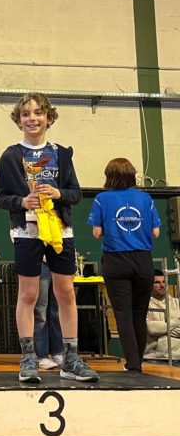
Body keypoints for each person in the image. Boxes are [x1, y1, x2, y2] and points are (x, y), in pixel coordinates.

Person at [0, 92, 99, 383]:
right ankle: (29, 357)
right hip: (27, 231)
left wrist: (57, 193)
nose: (32, 118)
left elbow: (76, 194)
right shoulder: (11, 155)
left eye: (38, 113)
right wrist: (21, 202)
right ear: (18, 121)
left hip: (60, 230)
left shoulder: (62, 154)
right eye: (26, 114)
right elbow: (0, 197)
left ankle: (70, 358)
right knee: (28, 294)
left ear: (49, 118)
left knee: (65, 292)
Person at [88, 157, 160, 372]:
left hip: (116, 259)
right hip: (143, 260)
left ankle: (133, 363)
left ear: (109, 177)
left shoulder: (102, 199)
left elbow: (97, 233)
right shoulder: (145, 198)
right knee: (140, 313)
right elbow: (156, 232)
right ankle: (139, 361)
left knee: (123, 314)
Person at [34, 258, 64, 370]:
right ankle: (41, 356)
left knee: (56, 311)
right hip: (40, 263)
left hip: (58, 262)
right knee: (40, 312)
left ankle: (58, 352)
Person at [144, 270, 180, 361]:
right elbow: (152, 329)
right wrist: (177, 322)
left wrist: (160, 326)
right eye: (157, 282)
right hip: (152, 358)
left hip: (177, 356)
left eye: (164, 282)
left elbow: (155, 328)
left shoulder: (177, 303)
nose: (162, 285)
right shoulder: (144, 305)